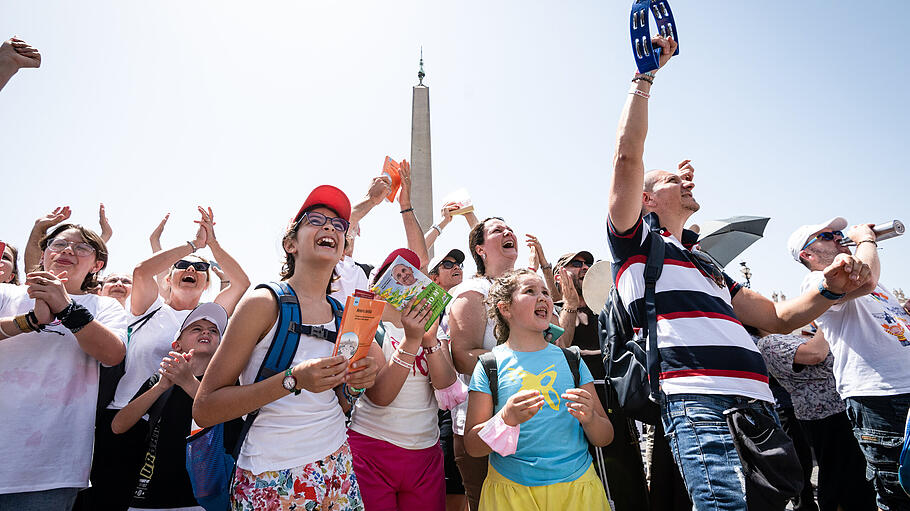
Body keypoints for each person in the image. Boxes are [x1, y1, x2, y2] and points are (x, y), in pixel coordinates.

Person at [607, 34, 872, 508]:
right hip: (698, 399)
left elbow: (776, 318)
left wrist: (829, 290)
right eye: (672, 180)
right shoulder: (635, 243)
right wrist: (644, 77)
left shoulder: (705, 262)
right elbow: (627, 157)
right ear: (646, 200)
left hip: (757, 403)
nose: (687, 181)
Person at [193, 185, 381, 510]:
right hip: (271, 475)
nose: (329, 228)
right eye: (317, 220)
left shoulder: (343, 315)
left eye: (339, 226)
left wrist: (356, 385)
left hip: (338, 466)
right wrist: (292, 380)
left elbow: (342, 404)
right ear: (290, 243)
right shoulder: (263, 304)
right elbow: (206, 408)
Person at [86, 206, 250, 511]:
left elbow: (241, 283)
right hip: (126, 416)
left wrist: (212, 243)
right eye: (182, 266)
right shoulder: (150, 308)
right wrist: (192, 246)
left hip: (179, 421)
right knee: (108, 500)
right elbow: (141, 272)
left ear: (208, 281)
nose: (191, 269)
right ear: (170, 277)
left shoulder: (209, 318)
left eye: (200, 268)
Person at [0, 223, 127, 510]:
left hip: (51, 470)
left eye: (82, 247)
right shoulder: (7, 295)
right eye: (58, 244)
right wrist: (29, 321)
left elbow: (112, 355)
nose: (68, 250)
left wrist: (66, 309)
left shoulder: (104, 307)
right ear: (43, 254)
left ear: (98, 264)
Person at [464, 269, 613, 510]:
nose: (543, 297)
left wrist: (590, 418)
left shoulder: (571, 360)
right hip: (510, 495)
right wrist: (504, 419)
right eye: (530, 291)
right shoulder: (490, 365)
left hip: (579, 491)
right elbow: (473, 446)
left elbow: (605, 436)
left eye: (545, 291)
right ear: (505, 309)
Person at [788, 217, 910, 510]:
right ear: (808, 255)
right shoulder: (816, 281)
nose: (839, 237)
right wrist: (866, 240)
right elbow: (866, 281)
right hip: (882, 396)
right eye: (828, 236)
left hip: (900, 389)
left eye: (840, 233)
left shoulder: (874, 282)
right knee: (900, 493)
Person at [348, 249, 464, 511]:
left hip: (426, 453)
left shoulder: (432, 326)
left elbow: (446, 386)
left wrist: (430, 341)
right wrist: (412, 341)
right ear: (378, 286)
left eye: (409, 273)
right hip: (371, 450)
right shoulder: (367, 325)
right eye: (394, 273)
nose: (404, 278)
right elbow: (380, 396)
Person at [112, 302, 237, 511]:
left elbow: (228, 422)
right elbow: (118, 425)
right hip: (150, 497)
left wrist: (188, 382)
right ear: (177, 345)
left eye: (213, 331)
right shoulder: (160, 380)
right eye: (196, 328)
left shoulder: (228, 383)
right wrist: (161, 386)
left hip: (204, 499)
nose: (206, 332)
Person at [553, 250, 653, 510]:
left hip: (617, 397)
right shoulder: (553, 312)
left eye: (588, 263)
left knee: (629, 474)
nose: (585, 268)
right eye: (576, 264)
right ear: (558, 276)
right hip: (583, 404)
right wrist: (570, 305)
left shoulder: (606, 308)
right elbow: (560, 347)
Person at [753, 326, 875, 511]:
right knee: (841, 477)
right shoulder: (767, 343)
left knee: (853, 474)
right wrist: (827, 317)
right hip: (825, 414)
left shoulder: (787, 338)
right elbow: (816, 354)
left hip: (840, 410)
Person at [448, 216, 519, 511]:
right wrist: (522, 357)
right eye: (497, 230)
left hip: (533, 421)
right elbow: (463, 358)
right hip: (482, 425)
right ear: (480, 249)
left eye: (509, 228)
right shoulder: (472, 292)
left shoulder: (528, 289)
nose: (508, 231)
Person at [428, 249, 468, 511]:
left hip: (472, 404)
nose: (457, 267)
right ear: (433, 278)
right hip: (441, 411)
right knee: (451, 488)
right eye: (448, 264)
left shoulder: (471, 303)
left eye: (459, 264)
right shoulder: (425, 310)